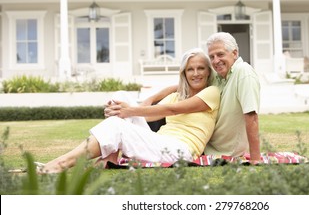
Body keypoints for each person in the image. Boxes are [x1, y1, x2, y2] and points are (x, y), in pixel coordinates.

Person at [39, 48, 220, 173]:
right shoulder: (178, 94)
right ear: (184, 73)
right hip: (161, 141)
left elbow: (171, 110)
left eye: (201, 68)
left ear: (208, 72)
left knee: (117, 125)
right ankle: (109, 158)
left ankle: (61, 163)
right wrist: (139, 103)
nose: (196, 73)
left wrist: (128, 112)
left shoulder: (211, 93)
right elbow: (152, 113)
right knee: (120, 96)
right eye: (190, 69)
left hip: (181, 150)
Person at [135, 32, 261, 163]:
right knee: (157, 114)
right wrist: (151, 99)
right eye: (212, 57)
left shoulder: (243, 72)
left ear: (234, 53)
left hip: (226, 151)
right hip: (206, 146)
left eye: (220, 54)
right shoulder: (219, 77)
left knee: (160, 114)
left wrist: (256, 160)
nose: (216, 60)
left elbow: (252, 117)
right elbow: (182, 85)